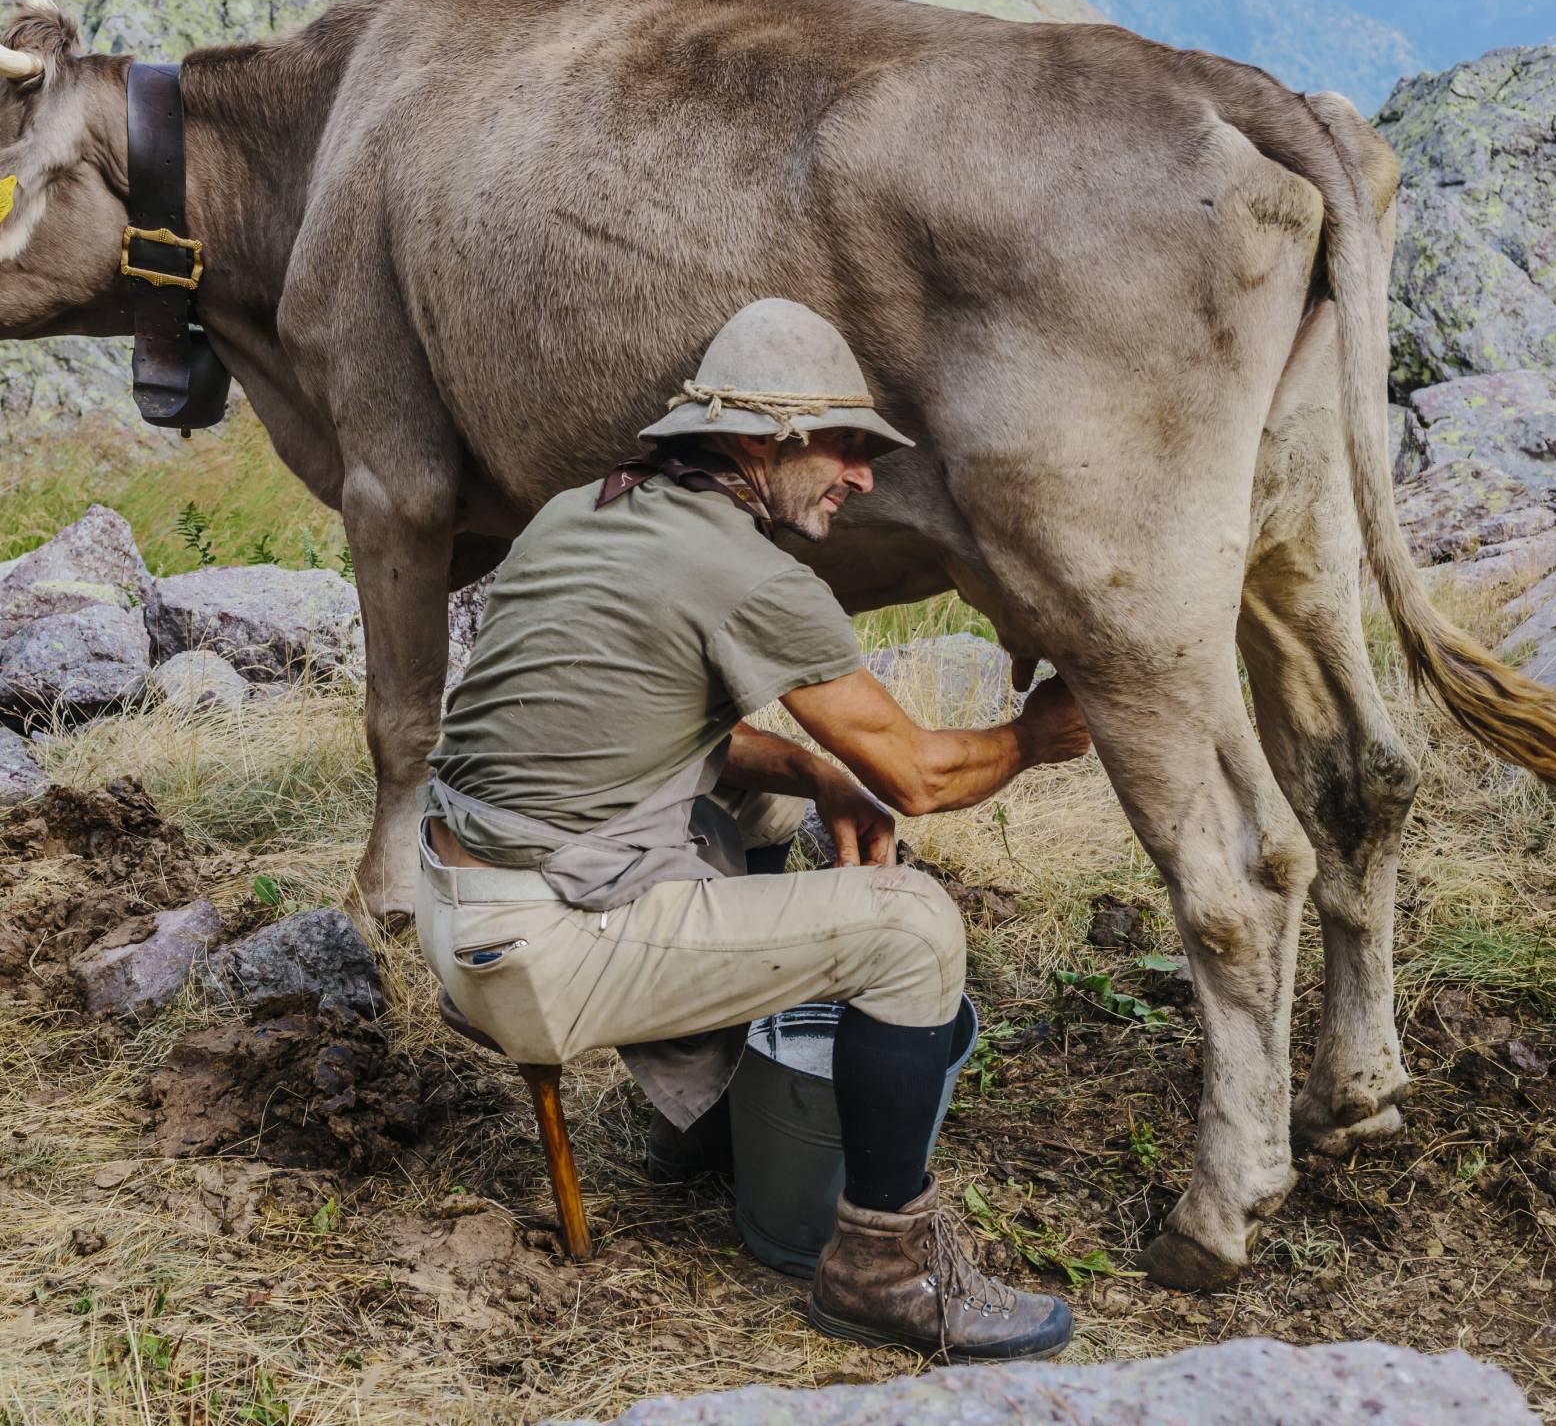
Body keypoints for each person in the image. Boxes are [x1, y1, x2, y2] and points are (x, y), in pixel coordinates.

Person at [419, 298, 1093, 1362]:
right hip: (536, 952)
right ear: (758, 441)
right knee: (914, 929)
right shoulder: (753, 577)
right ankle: (885, 1267)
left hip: (458, 906)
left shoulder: (577, 510)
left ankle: (710, 1124)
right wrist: (1036, 736)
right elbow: (919, 778)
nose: (862, 475)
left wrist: (816, 770)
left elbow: (625, 729)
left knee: (774, 798)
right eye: (844, 444)